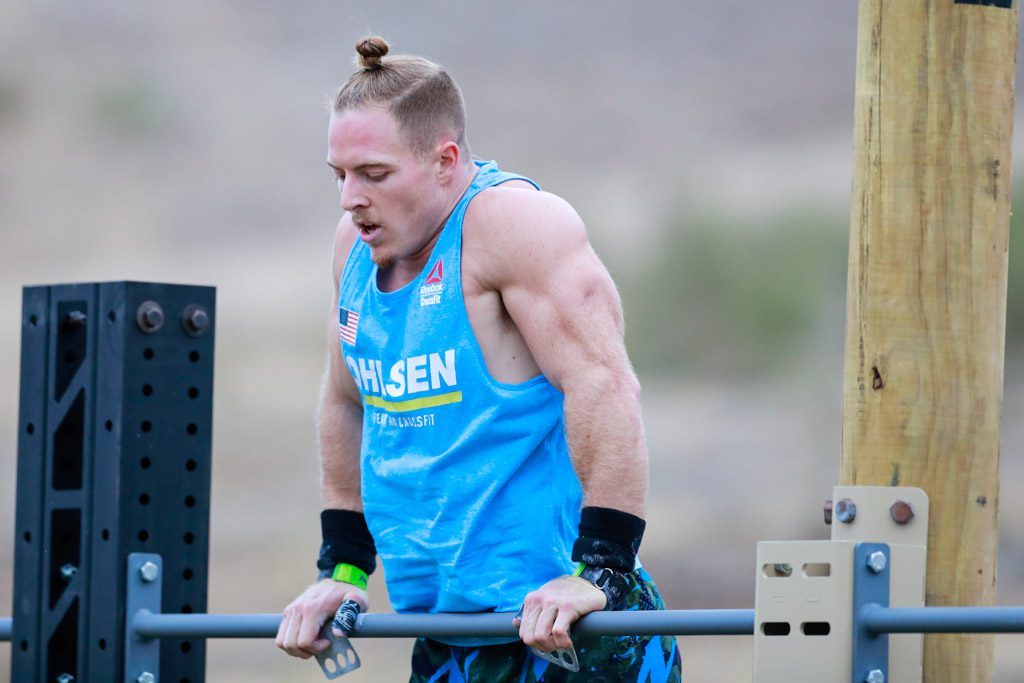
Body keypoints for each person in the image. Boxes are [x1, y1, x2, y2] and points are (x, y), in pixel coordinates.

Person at [276, 35, 682, 682]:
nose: (349, 198)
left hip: (563, 623)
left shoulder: (515, 225)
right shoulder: (352, 247)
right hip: (447, 630)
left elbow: (604, 384)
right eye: (340, 175)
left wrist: (601, 571)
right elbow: (345, 398)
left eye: (374, 174)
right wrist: (343, 569)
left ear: (446, 159)